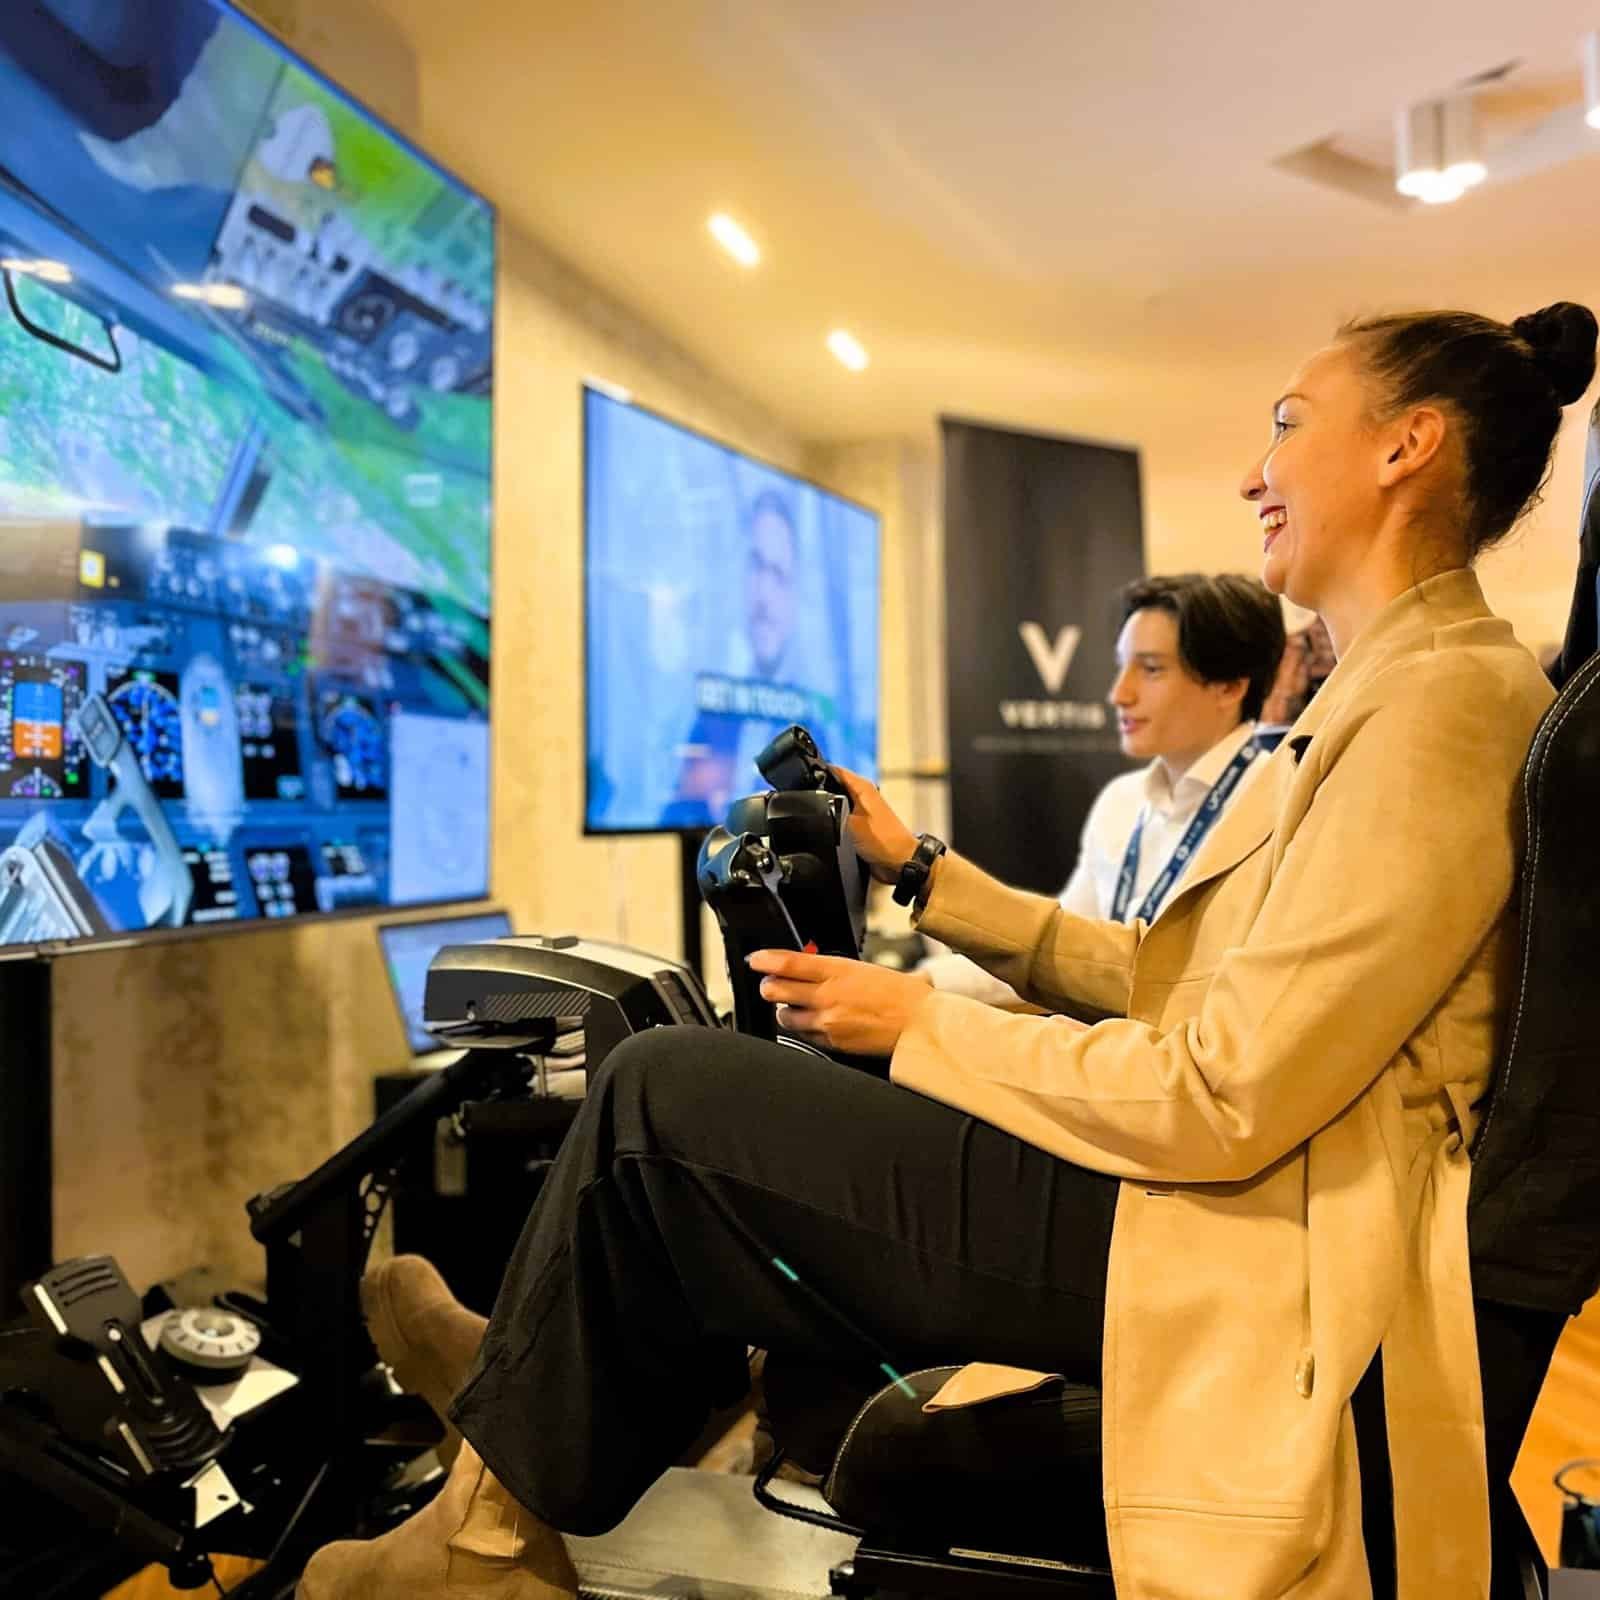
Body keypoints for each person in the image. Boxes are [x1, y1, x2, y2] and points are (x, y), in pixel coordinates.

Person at [298, 301, 1593, 1600]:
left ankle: (486, 1541)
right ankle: (518, 1413)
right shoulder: (1394, 690)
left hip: (1264, 1240)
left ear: (1405, 446)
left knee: (661, 1097)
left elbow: (1227, 1089)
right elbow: (1187, 986)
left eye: (1288, 425)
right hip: (1247, 1197)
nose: (1257, 472)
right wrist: (923, 875)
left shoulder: (1438, 706)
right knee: (740, 1090)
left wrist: (919, 1023)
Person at [920, 572, 1285, 1004]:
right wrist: (923, 983)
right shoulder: (1122, 802)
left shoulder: (1278, 802)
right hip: (1108, 1040)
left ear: (1230, 686)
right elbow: (1057, 958)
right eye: (1122, 665)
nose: (1119, 694)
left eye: (1151, 670)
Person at [661, 489, 806, 826]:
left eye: (778, 574)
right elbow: (676, 808)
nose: (763, 595)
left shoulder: (814, 735)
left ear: (795, 597)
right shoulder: (710, 719)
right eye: (756, 566)